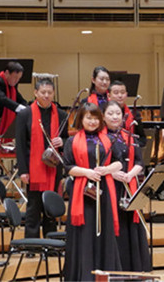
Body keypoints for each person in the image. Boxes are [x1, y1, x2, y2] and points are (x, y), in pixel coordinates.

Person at [63, 103, 123, 281]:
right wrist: (87, 172)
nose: (92, 121)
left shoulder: (108, 139)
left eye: (96, 118)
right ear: (81, 118)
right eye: (89, 117)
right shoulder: (72, 141)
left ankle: (105, 276)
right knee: (85, 234)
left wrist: (106, 170)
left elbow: (120, 162)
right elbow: (67, 167)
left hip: (104, 191)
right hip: (83, 193)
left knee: (104, 232)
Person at [15, 77, 69, 239]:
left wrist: (63, 141)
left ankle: (51, 240)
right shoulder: (25, 114)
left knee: (50, 206)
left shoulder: (61, 114)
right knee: (33, 207)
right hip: (33, 168)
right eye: (43, 92)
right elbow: (20, 144)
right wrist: (23, 171)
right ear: (35, 93)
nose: (46, 95)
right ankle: (32, 242)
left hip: (53, 167)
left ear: (53, 94)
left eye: (49, 92)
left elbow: (68, 140)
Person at [104, 101, 152, 272]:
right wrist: (112, 173)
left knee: (131, 226)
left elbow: (139, 161)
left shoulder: (129, 136)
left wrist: (130, 174)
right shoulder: (100, 137)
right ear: (103, 116)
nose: (115, 117)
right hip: (109, 187)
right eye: (110, 113)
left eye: (118, 113)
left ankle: (134, 269)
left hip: (129, 186)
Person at [0, 60, 27, 143]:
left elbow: (18, 98)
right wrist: (19, 108)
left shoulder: (11, 84)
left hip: (0, 118)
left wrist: (29, 108)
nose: (16, 81)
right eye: (15, 77)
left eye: (19, 78)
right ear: (7, 73)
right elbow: (2, 99)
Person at [107, 80, 144, 145]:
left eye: (122, 92)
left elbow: (142, 138)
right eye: (116, 93)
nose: (120, 95)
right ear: (109, 96)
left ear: (126, 94)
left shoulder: (134, 114)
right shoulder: (103, 114)